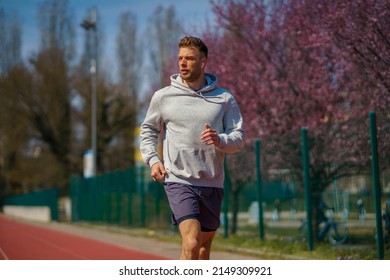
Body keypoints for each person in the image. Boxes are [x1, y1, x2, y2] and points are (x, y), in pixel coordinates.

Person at [140, 36, 246, 260]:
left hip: (212, 182)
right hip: (178, 180)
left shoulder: (224, 98)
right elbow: (148, 131)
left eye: (189, 58)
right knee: (191, 242)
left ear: (203, 61)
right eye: (180, 58)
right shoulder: (163, 97)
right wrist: (153, 160)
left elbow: (239, 138)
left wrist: (220, 140)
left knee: (203, 249)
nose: (183, 63)